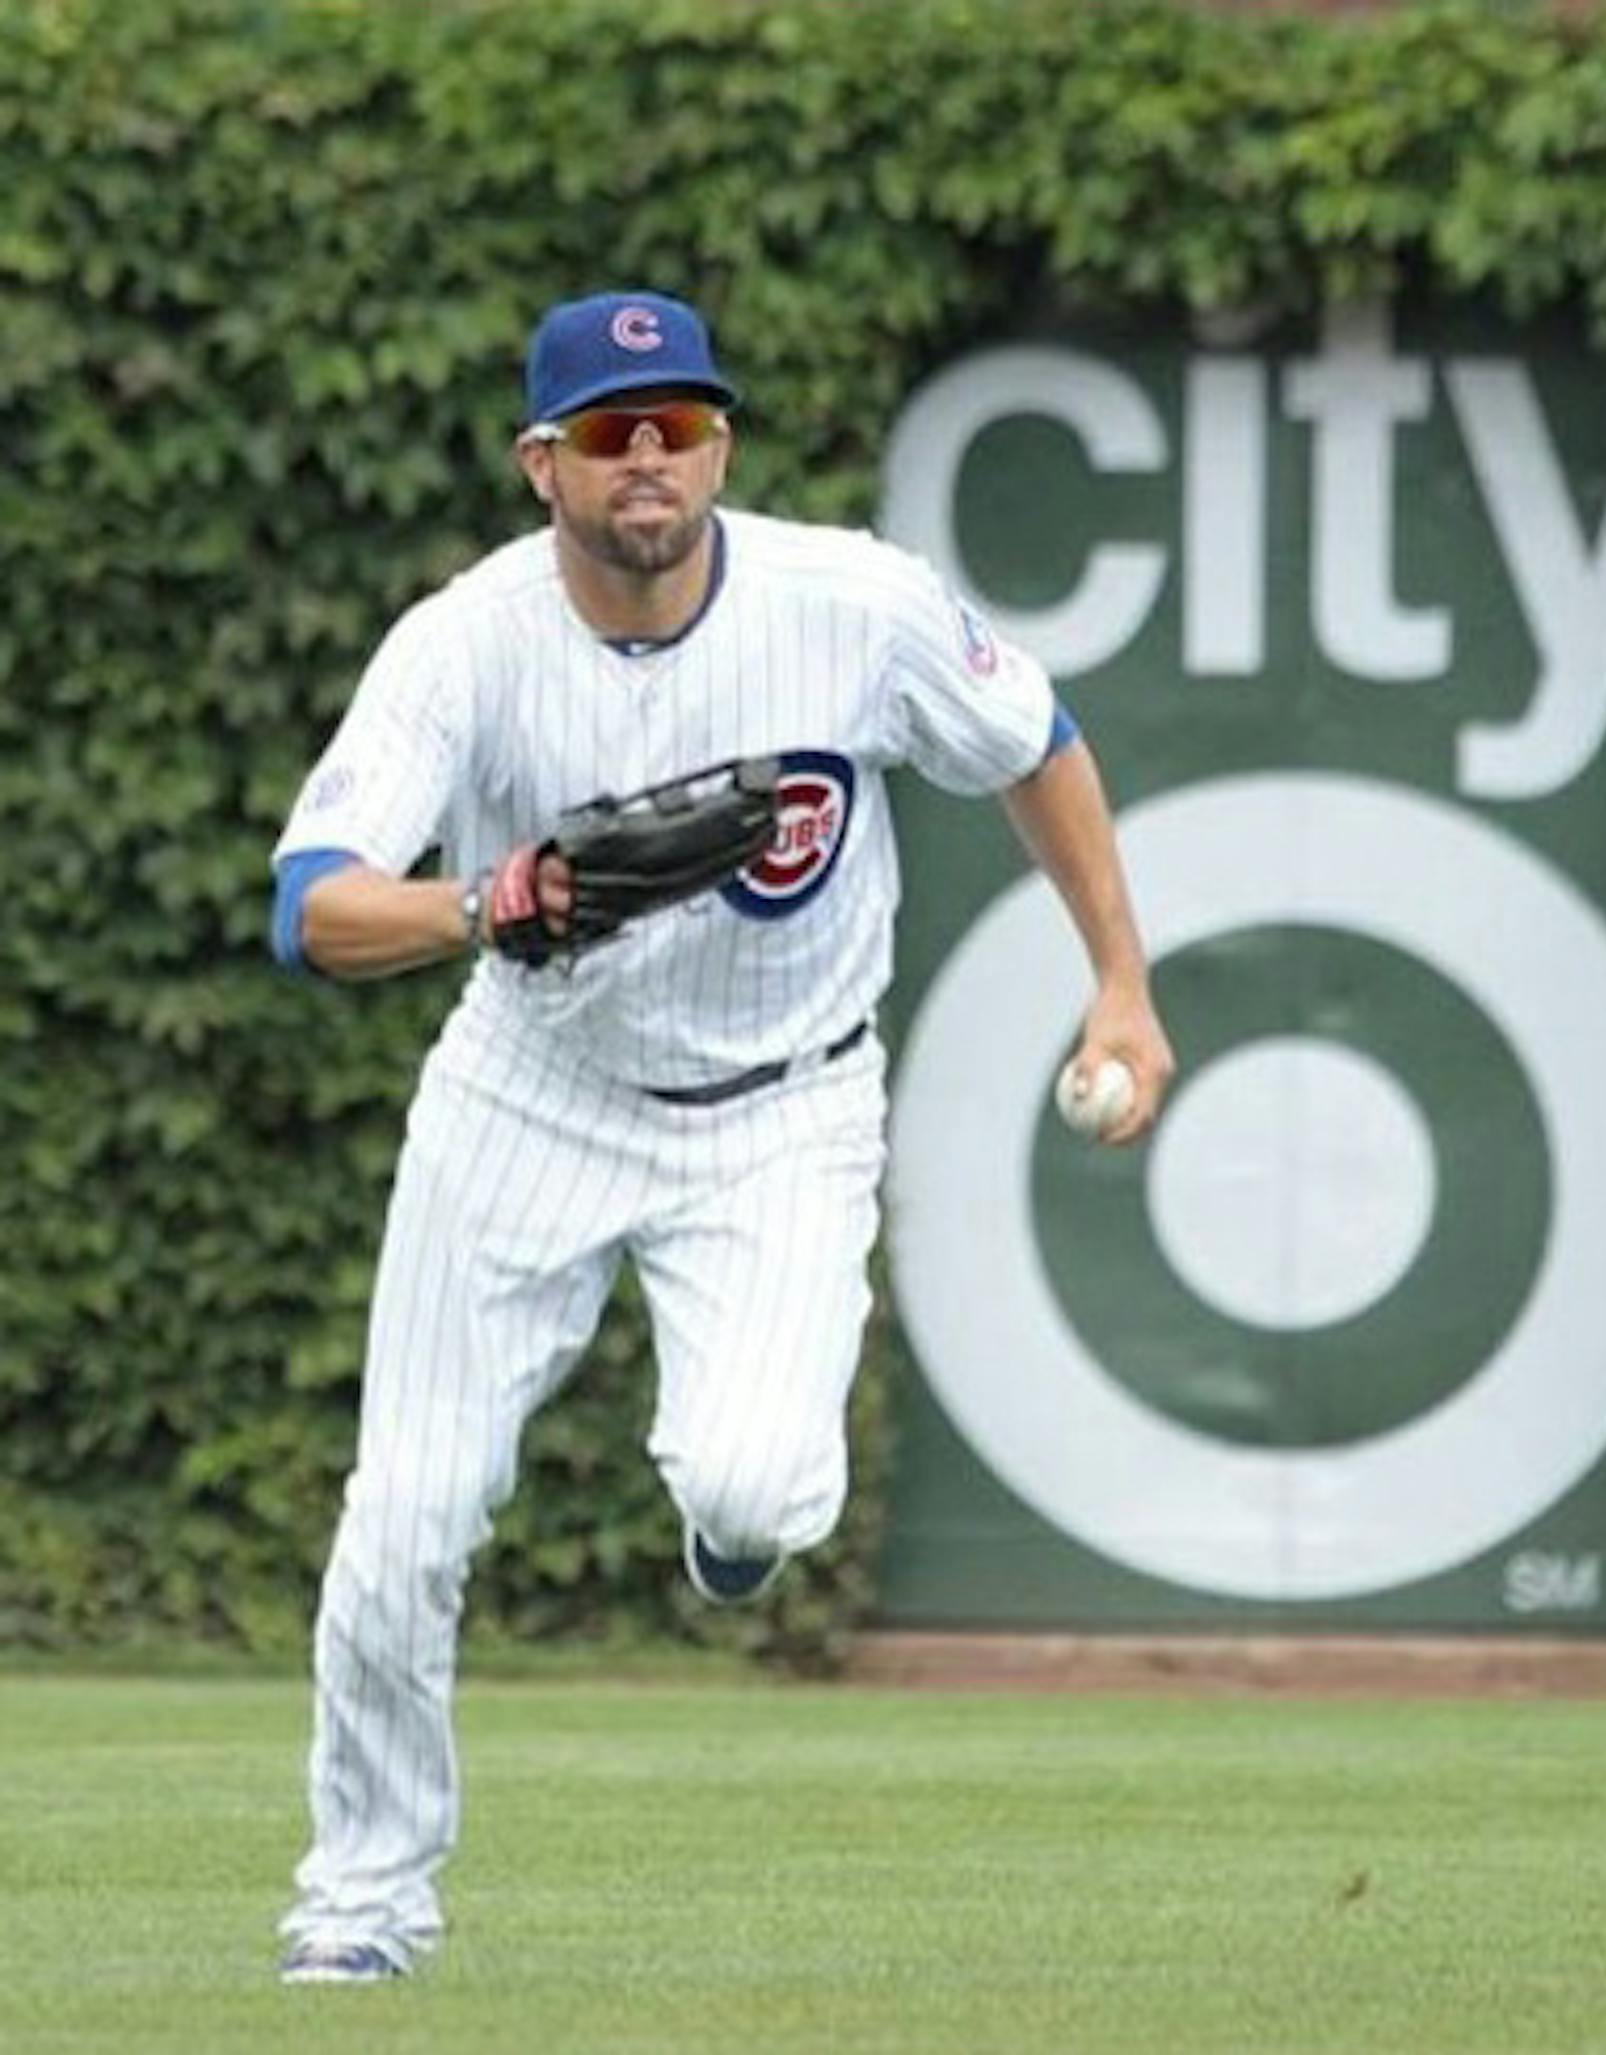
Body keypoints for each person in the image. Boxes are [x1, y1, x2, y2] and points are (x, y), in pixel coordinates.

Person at [266, 288, 1174, 1985]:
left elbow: (1033, 743)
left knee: (757, 1486)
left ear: (720, 445)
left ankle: (734, 1532)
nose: (649, 460)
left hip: (786, 1107)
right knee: (404, 1522)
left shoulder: (853, 606)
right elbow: (310, 910)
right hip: (530, 1096)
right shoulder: (462, 646)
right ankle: (361, 1910)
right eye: (611, 434)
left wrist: (1121, 979)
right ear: (543, 465)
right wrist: (481, 901)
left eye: (678, 425)